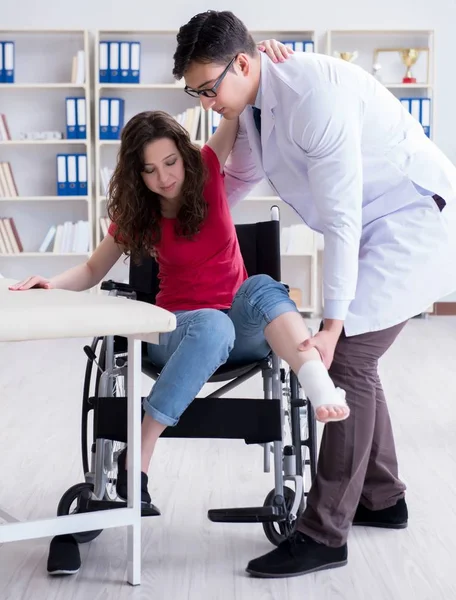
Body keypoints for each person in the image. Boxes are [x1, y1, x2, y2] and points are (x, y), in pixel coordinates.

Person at [10, 42, 349, 576]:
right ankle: (139, 460)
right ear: (136, 175)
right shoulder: (137, 216)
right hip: (176, 330)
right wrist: (49, 284)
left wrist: (265, 51)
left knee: (260, 286)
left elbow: (236, 97)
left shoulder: (209, 164)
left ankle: (316, 380)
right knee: (210, 323)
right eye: (151, 170)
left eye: (171, 161)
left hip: (240, 327)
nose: (166, 176)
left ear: (185, 153)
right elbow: (92, 272)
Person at [173, 10, 456, 579]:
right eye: (194, 92)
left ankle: (325, 534)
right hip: (373, 223)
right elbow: (241, 178)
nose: (206, 103)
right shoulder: (253, 97)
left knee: (348, 357)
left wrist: (330, 323)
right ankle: (383, 498)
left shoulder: (312, 98)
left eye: (209, 89)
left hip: (409, 221)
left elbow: (344, 219)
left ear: (243, 63)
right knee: (361, 363)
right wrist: (183, 226)